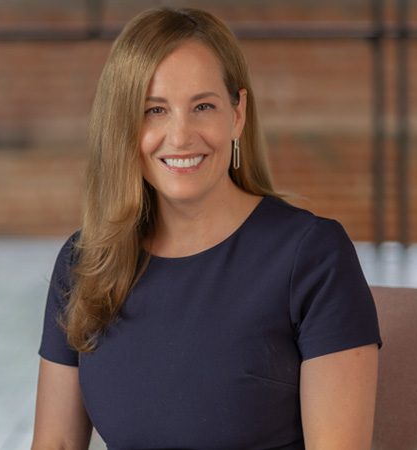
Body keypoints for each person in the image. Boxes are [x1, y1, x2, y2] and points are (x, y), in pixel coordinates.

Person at [32, 7, 382, 450]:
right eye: (154, 110)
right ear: (123, 125)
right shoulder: (85, 262)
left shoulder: (312, 255)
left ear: (237, 114)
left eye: (203, 106)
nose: (180, 136)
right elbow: (56, 444)